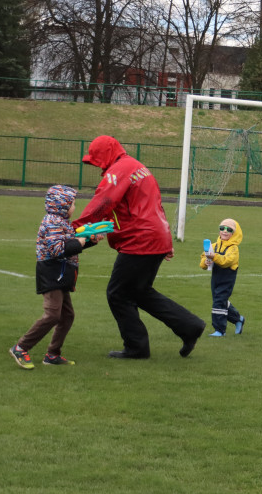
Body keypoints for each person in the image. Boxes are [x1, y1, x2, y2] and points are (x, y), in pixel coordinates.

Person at [74, 135, 205, 359]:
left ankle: (137, 347)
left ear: (106, 154)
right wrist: (166, 241)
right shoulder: (138, 167)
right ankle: (189, 326)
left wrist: (75, 228)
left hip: (139, 240)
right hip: (155, 236)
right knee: (139, 291)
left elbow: (104, 201)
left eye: (96, 159)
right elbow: (155, 205)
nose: (96, 165)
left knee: (117, 294)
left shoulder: (118, 171)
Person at [9, 185, 98, 369]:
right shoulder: (52, 222)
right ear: (62, 205)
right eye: (72, 203)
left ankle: (52, 354)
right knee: (52, 314)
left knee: (67, 316)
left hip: (61, 273)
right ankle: (21, 347)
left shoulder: (62, 222)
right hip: (51, 272)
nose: (74, 207)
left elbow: (71, 247)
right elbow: (58, 250)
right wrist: (80, 241)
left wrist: (89, 241)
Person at [200, 218, 246, 337]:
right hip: (215, 278)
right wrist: (206, 262)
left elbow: (227, 261)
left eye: (229, 230)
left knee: (218, 301)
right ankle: (238, 319)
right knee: (220, 301)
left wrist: (214, 257)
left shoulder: (233, 249)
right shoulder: (213, 246)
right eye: (222, 228)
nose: (224, 231)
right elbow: (202, 260)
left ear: (234, 233)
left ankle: (219, 330)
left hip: (227, 279)